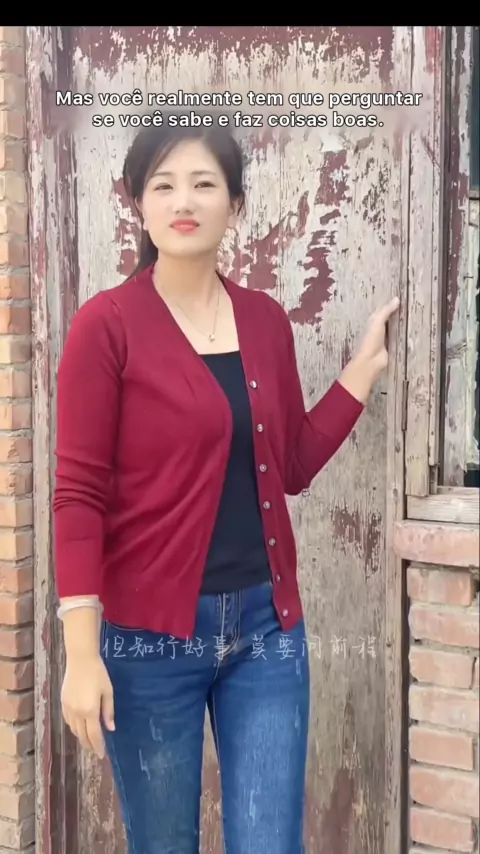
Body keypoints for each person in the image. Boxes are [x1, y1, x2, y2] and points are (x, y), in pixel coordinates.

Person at [53, 111, 399, 854]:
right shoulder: (106, 327)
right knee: (165, 843)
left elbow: (291, 465)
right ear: (138, 204)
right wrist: (81, 657)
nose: (184, 201)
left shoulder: (265, 321)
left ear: (235, 205)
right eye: (163, 185)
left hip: (267, 634)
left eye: (204, 184)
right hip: (148, 644)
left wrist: (360, 374)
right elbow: (77, 496)